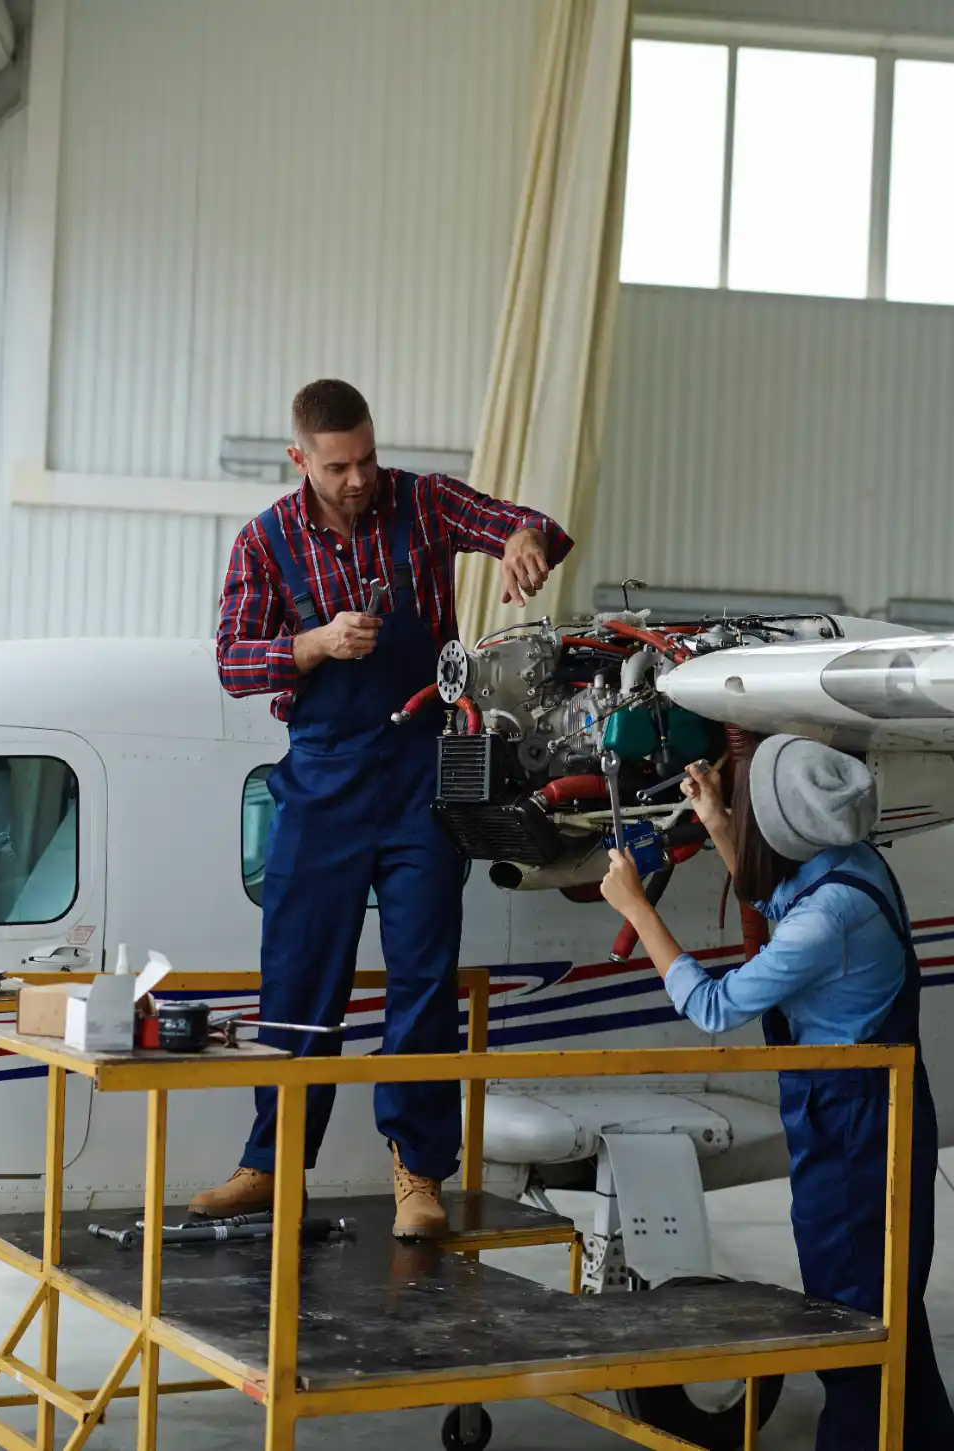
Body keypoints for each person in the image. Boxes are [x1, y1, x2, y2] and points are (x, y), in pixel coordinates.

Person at [202, 378, 571, 1237]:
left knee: (423, 980)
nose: (361, 477)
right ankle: (271, 1162)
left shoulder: (425, 502)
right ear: (301, 459)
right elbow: (233, 661)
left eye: (368, 456)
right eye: (340, 465)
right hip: (322, 781)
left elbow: (527, 524)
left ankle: (419, 1175)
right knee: (298, 980)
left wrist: (522, 543)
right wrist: (316, 644)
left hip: (419, 778)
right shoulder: (266, 541)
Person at [599, 737, 954, 1451]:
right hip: (866, 1111)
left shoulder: (828, 920)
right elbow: (777, 894)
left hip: (857, 1131)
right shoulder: (852, 867)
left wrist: (636, 908)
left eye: (750, 810)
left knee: (852, 1328)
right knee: (893, 1319)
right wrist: (715, 821)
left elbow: (710, 1005)